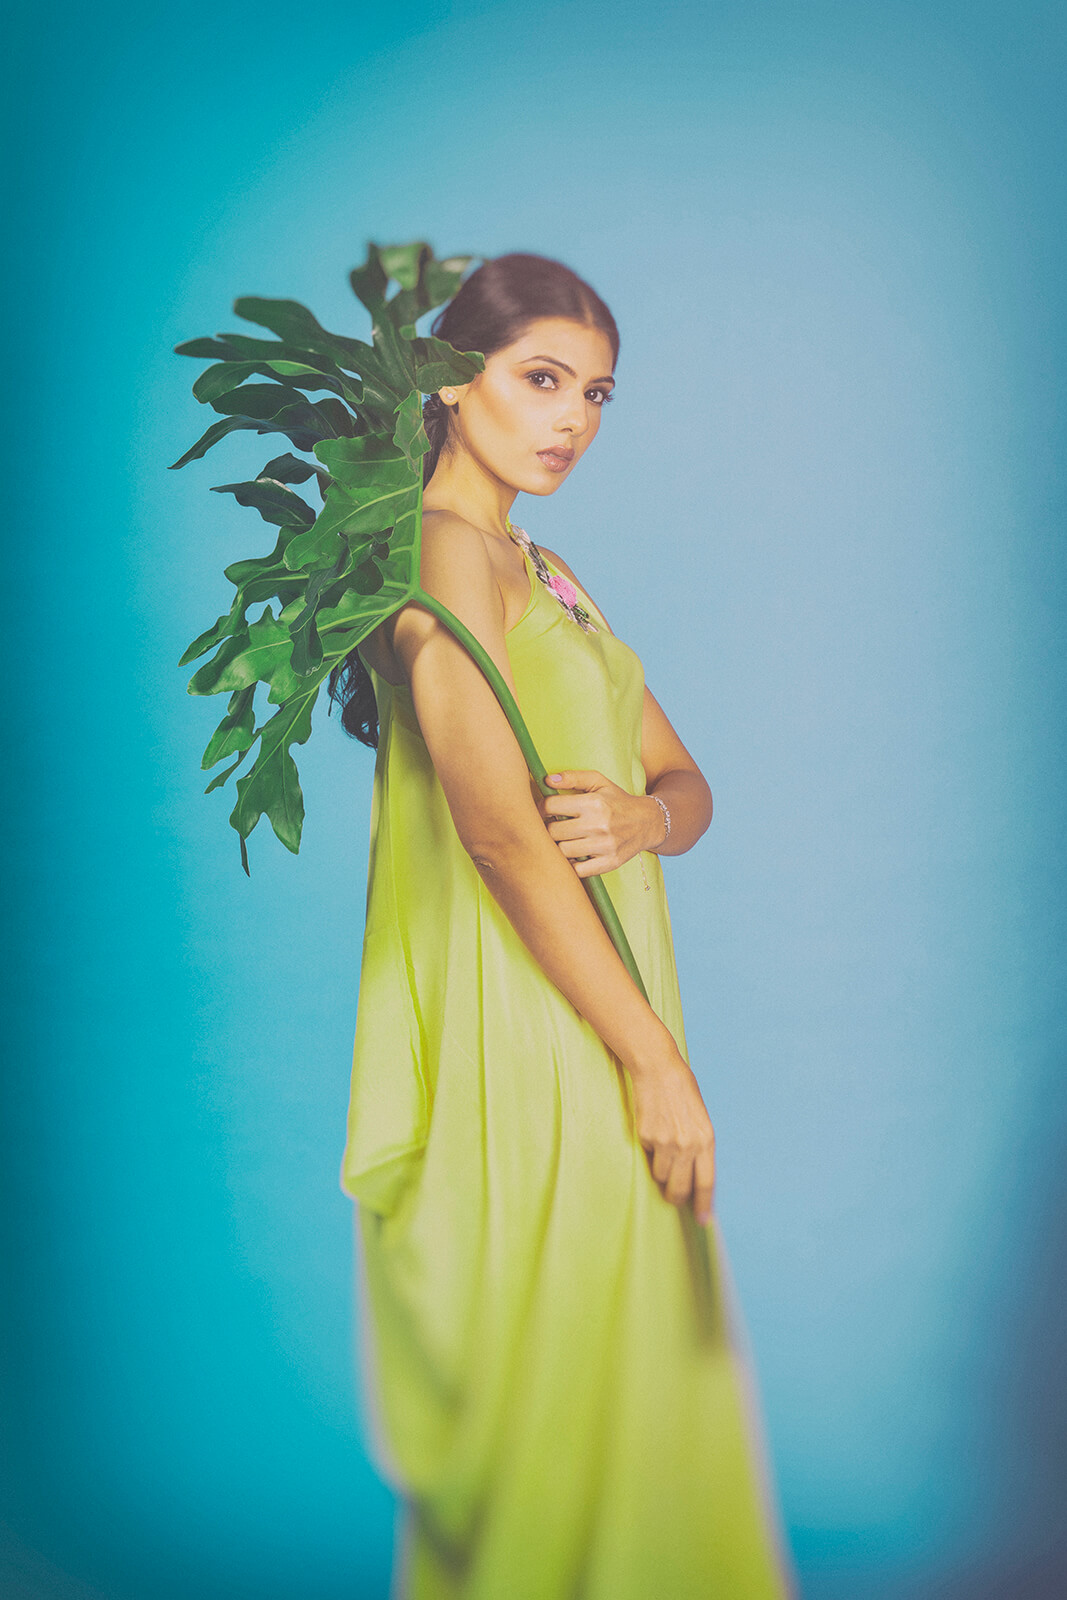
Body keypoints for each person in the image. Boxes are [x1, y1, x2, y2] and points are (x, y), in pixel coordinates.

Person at [331, 253, 794, 1598]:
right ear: (446, 378)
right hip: (535, 1035)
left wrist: (644, 821)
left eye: (596, 393)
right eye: (543, 379)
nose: (574, 420)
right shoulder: (437, 553)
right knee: (565, 1387)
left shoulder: (546, 565)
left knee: (631, 1378)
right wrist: (654, 1062)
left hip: (604, 1016)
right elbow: (496, 835)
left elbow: (687, 784)